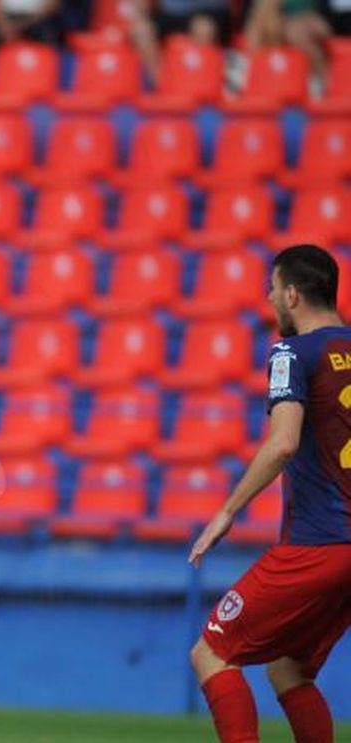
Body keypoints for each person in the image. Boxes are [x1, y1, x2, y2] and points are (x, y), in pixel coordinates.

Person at [187, 243, 351, 743]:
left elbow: (282, 443)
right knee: (288, 669)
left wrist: (226, 512)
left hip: (318, 543)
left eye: (273, 289)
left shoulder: (291, 353)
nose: (269, 297)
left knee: (211, 652)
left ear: (293, 295)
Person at [126, 0, 233, 85]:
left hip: (210, 10)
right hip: (170, 13)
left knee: (202, 28)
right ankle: (165, 88)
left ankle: (199, 88)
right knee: (141, 30)